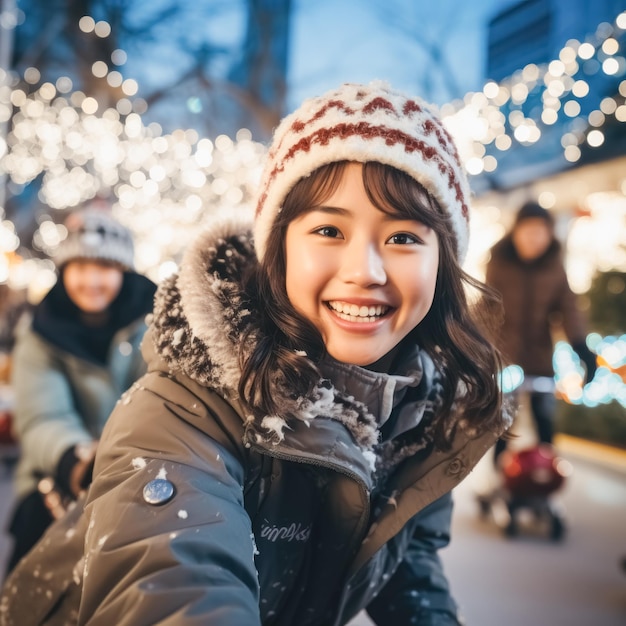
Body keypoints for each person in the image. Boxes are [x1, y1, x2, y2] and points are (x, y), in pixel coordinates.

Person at [2, 82, 510, 625]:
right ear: (279, 251)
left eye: (405, 237)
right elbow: (175, 584)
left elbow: (404, 563)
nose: (365, 271)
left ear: (444, 261)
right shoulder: (182, 404)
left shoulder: (419, 417)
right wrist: (74, 454)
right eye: (329, 229)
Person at [4, 206, 156, 575]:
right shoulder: (41, 333)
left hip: (140, 466)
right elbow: (43, 416)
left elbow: (160, 397)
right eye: (80, 266)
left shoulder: (151, 323)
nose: (91, 280)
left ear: (122, 270)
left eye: (104, 267)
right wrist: (76, 459)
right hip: (58, 469)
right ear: (64, 270)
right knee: (38, 563)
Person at [485, 200, 596, 460]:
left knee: (544, 418)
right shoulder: (499, 262)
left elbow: (568, 308)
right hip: (505, 357)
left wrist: (581, 347)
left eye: (540, 231)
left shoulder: (555, 266)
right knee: (503, 422)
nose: (534, 238)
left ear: (549, 234)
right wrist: (479, 350)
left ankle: (547, 474)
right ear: (516, 232)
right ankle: (499, 476)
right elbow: (487, 309)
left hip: (540, 358)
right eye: (528, 230)